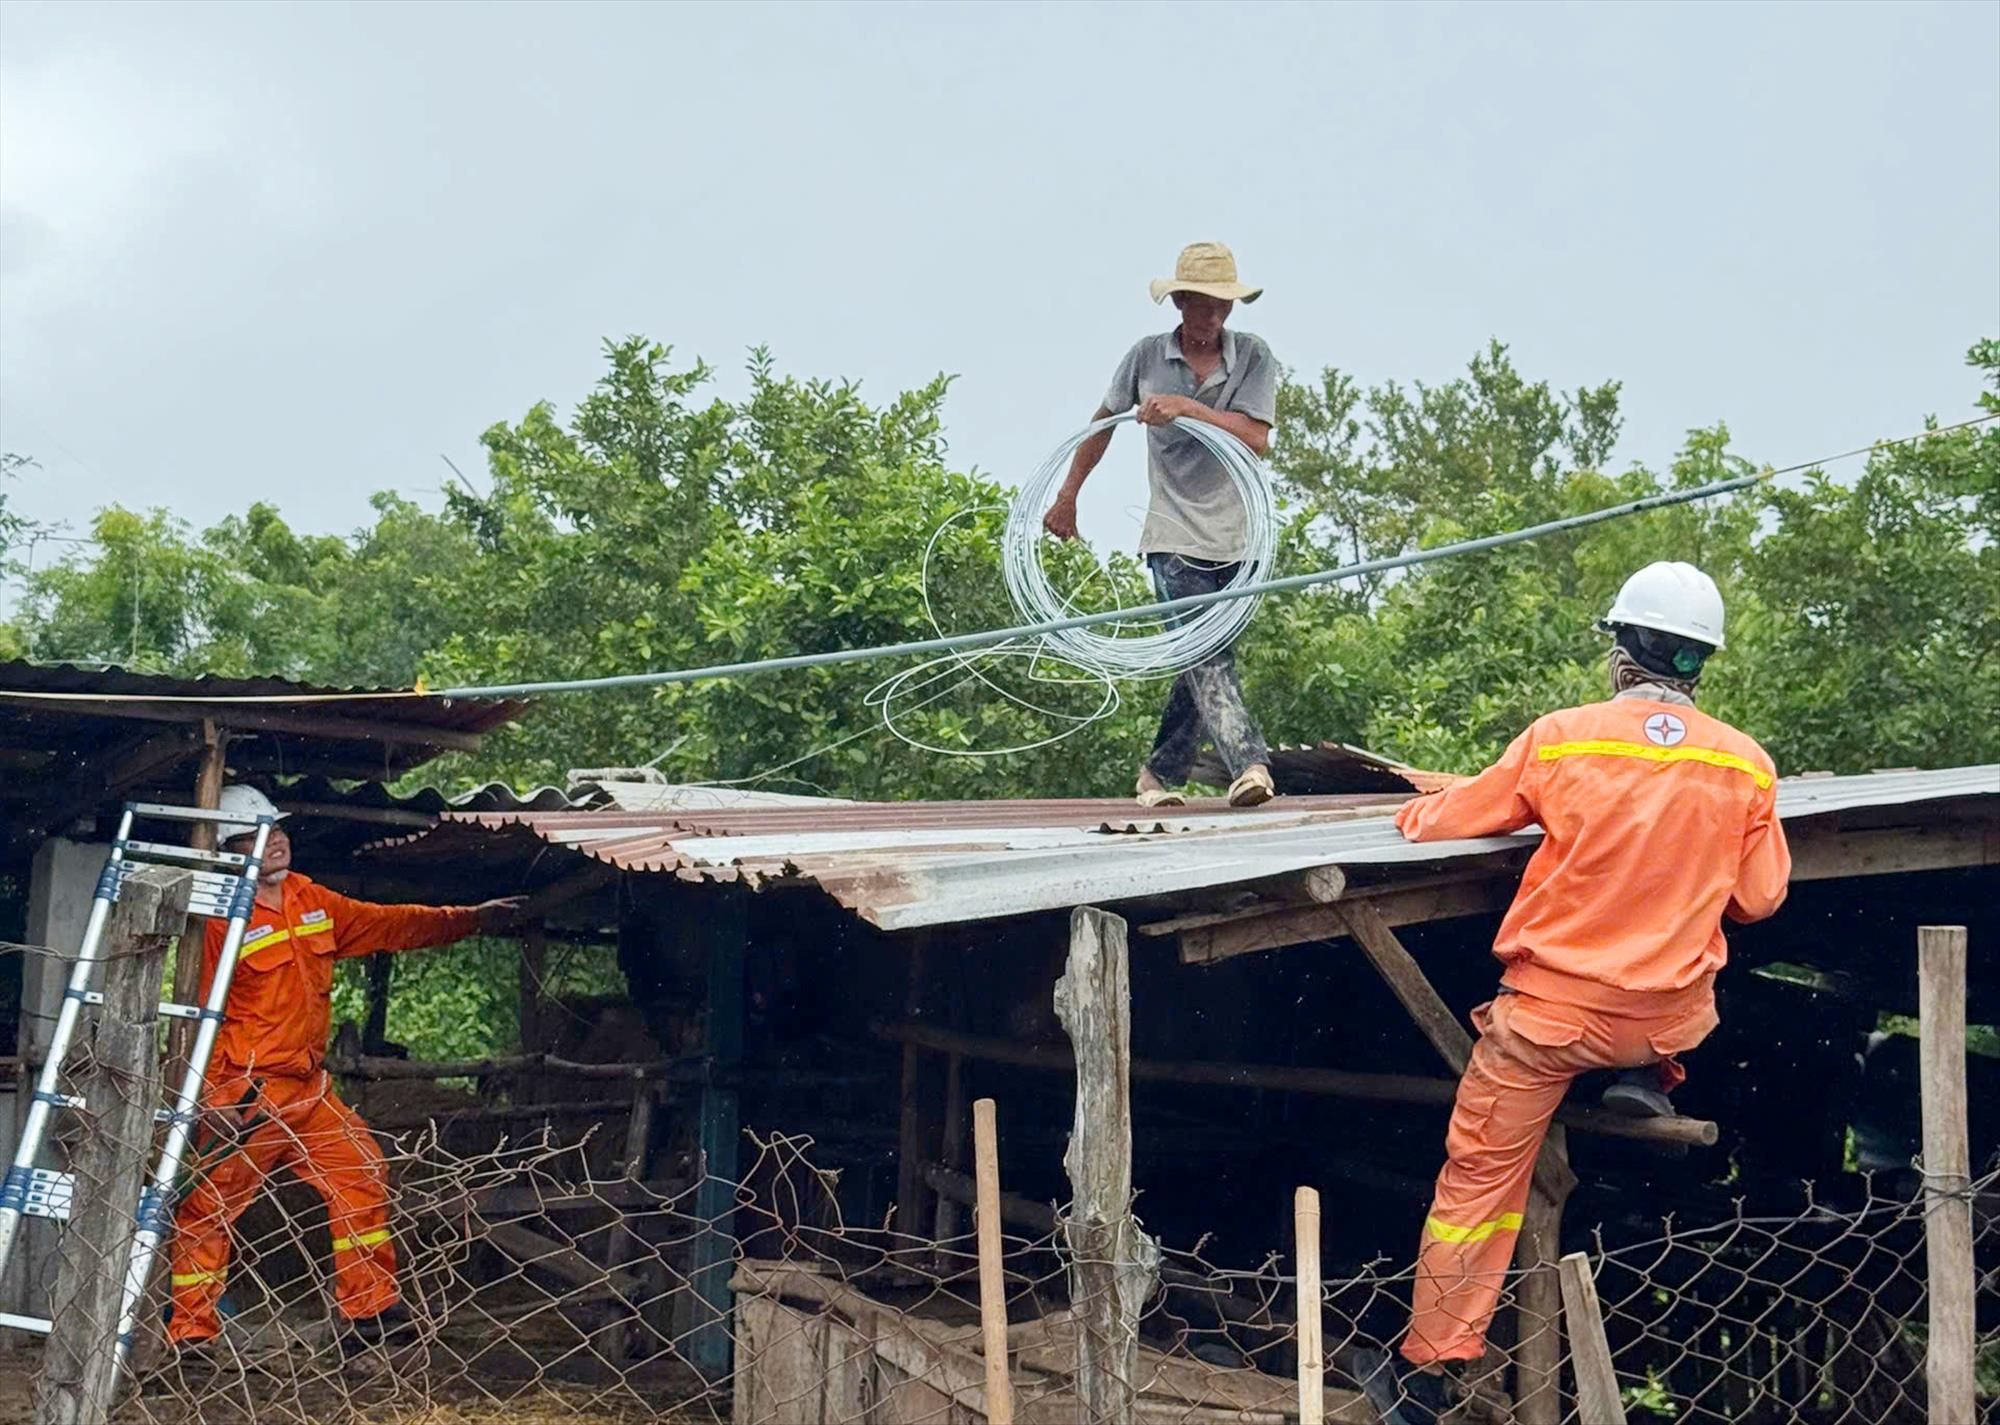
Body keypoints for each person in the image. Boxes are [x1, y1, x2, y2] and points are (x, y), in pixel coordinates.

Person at [1356, 562, 1794, 1425]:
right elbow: (1760, 898)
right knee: (1692, 979)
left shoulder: (1562, 739)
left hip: (1550, 1021)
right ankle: (1647, 1078)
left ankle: (1429, 1375)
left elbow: (1452, 819)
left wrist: (1417, 805)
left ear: (1623, 654)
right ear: (1698, 661)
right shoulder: (1745, 764)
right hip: (1660, 1020)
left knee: (1480, 1181)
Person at [167, 785, 526, 1355]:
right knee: (209, 1206)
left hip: (309, 1089)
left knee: (361, 1171)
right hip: (247, 1093)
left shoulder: (312, 901)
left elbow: (389, 924)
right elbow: (202, 1012)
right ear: (231, 849)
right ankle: (191, 1333)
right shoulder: (217, 920)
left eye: (278, 829)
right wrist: (214, 1096)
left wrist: (468, 920)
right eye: (256, 834)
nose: (275, 840)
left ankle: (370, 1311)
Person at [1044, 240, 1280, 808]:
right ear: (1179, 303)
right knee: (1205, 655)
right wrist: (1068, 496)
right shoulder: (1146, 358)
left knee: (1202, 660)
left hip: (1239, 537)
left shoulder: (1252, 356)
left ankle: (1156, 776)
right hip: (1173, 535)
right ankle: (1250, 765)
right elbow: (1101, 426)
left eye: (1222, 307)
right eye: (1201, 306)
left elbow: (1255, 438)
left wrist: (1188, 407)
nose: (1212, 318)